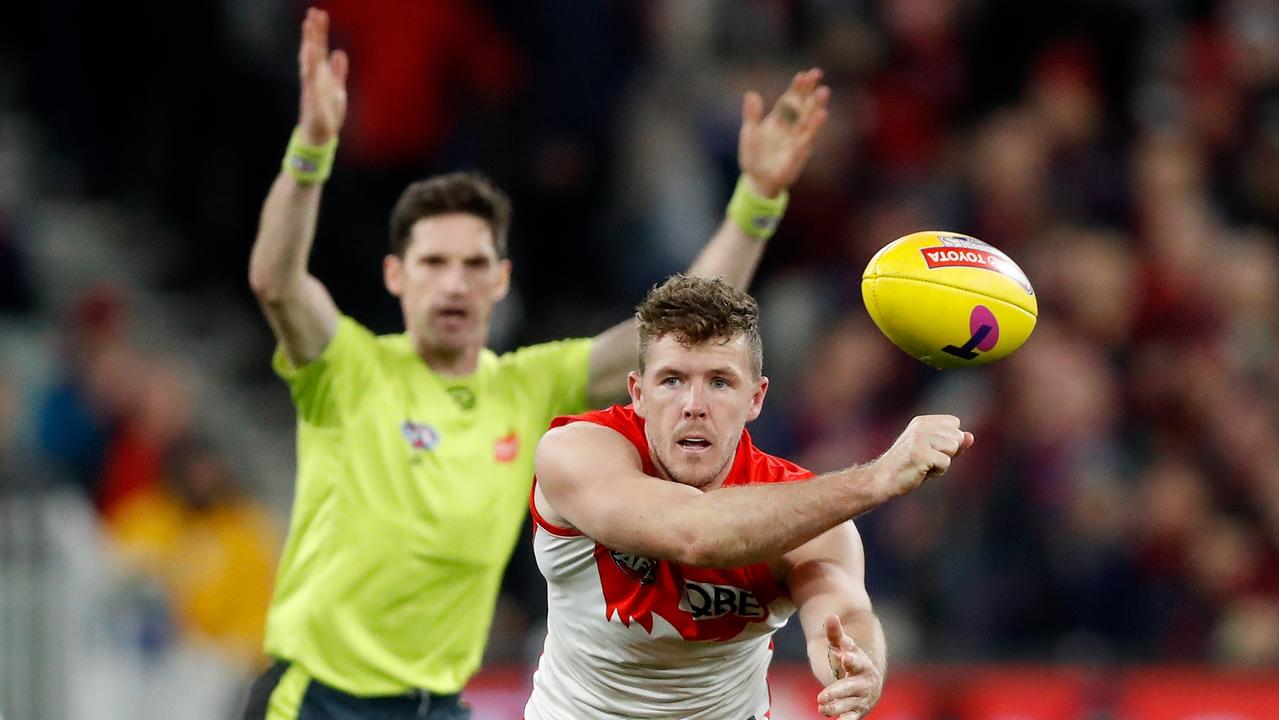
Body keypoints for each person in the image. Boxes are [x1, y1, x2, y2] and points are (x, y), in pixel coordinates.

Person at [243, 7, 830, 720]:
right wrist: (309, 151)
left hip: (438, 704)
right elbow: (276, 281)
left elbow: (688, 329)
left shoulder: (525, 385)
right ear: (396, 277)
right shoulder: (349, 368)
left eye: (472, 265)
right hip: (322, 699)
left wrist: (755, 201)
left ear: (500, 279)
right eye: (433, 263)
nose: (453, 283)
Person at [526, 275, 973, 720]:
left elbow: (844, 613)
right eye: (672, 380)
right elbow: (694, 534)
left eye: (720, 382)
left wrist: (858, 666)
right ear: (638, 394)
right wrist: (877, 478)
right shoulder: (575, 451)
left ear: (755, 398)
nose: (694, 405)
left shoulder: (807, 515)